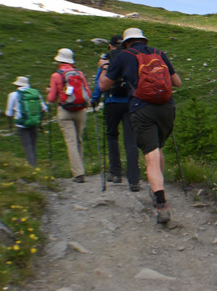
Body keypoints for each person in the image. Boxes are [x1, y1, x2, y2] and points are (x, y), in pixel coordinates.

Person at [99, 28, 182, 224]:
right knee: (158, 148)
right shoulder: (159, 54)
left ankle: (160, 202)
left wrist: (104, 67)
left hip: (141, 108)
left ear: (127, 42)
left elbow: (103, 86)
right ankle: (158, 186)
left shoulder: (122, 56)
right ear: (144, 40)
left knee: (150, 155)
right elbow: (177, 82)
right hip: (167, 108)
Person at [91, 35, 141, 192]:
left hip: (112, 102)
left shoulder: (107, 60)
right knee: (130, 140)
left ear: (110, 46)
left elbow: (100, 83)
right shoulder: (129, 57)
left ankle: (115, 173)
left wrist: (95, 99)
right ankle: (134, 180)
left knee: (112, 136)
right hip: (129, 102)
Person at [47, 48, 88, 183]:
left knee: (71, 142)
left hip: (65, 111)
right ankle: (80, 169)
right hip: (81, 109)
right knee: (79, 140)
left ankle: (78, 173)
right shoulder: (80, 74)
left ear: (59, 60)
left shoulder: (56, 76)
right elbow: (86, 92)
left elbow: (52, 98)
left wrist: (49, 91)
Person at [5, 76, 47, 168]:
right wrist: (39, 121)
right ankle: (34, 167)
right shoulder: (36, 93)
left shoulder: (13, 95)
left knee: (27, 147)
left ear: (17, 85)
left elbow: (9, 113)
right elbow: (44, 109)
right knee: (33, 146)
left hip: (21, 125)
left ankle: (32, 169)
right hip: (34, 122)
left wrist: (11, 123)